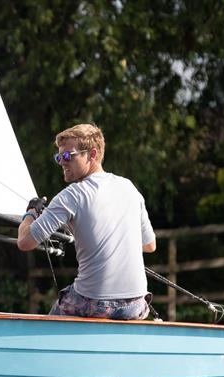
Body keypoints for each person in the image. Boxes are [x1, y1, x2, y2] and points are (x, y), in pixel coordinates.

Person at [17, 123, 156, 320]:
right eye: (59, 157)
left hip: (92, 302)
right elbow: (149, 245)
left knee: (48, 322)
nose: (61, 162)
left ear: (92, 154)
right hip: (136, 305)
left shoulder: (72, 195)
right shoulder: (129, 187)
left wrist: (30, 213)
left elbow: (24, 242)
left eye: (68, 156)